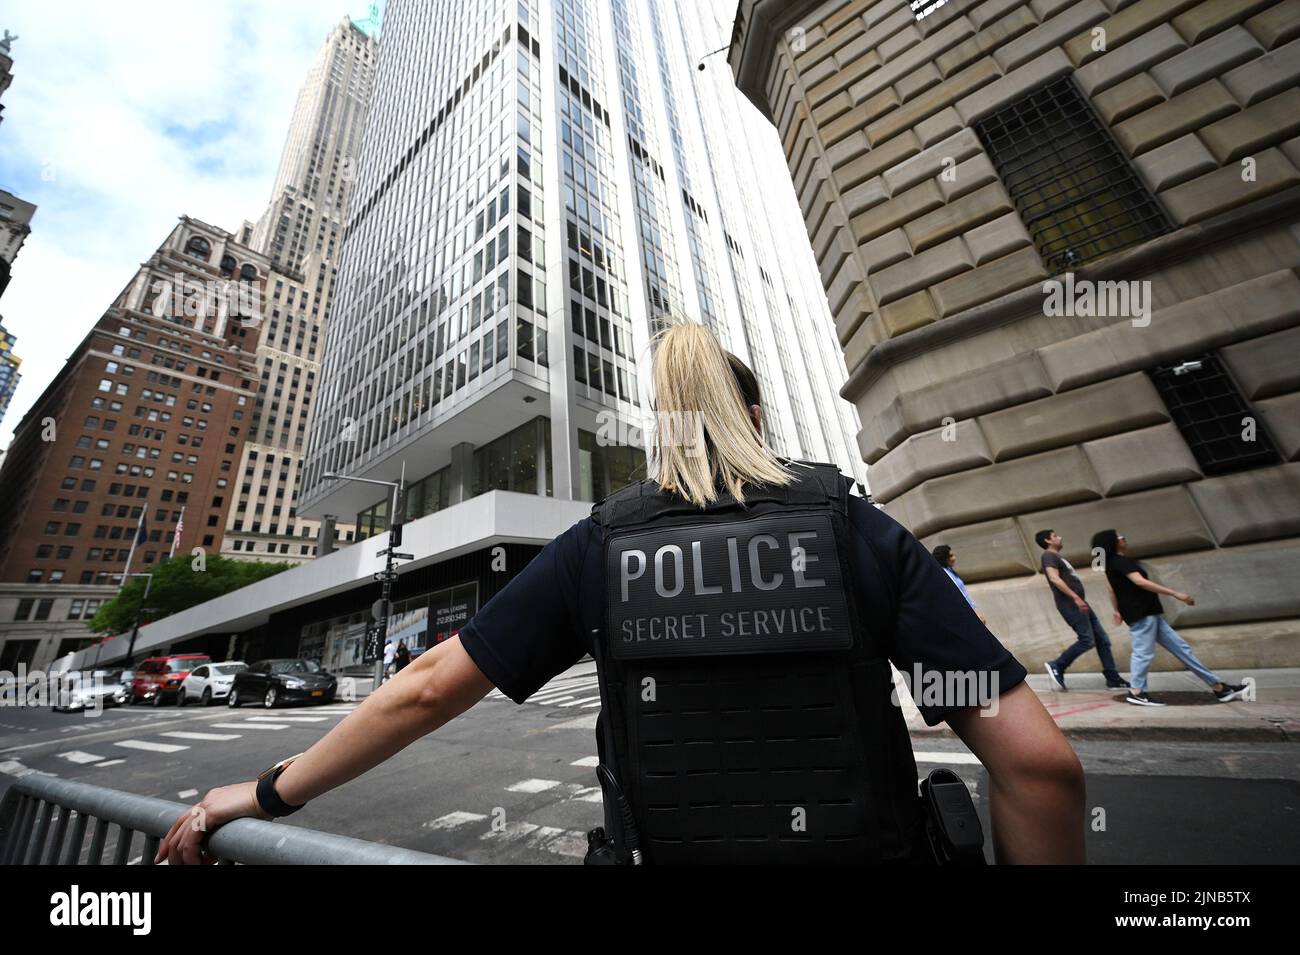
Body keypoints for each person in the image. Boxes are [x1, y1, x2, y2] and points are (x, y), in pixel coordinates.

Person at [156, 322, 1085, 866]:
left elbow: (431, 684)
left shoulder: (601, 547)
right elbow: (1040, 768)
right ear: (753, 418)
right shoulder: (853, 529)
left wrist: (265, 793)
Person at [1090, 529, 1246, 707]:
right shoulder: (1121, 561)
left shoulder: (1111, 563)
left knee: (1181, 648)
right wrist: (1176, 593)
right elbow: (1140, 582)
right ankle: (1136, 692)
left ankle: (1219, 688)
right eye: (1118, 536)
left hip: (1148, 614)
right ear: (1112, 542)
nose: (1123, 537)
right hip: (1142, 614)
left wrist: (1117, 611)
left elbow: (1111, 589)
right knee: (1143, 653)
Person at [1033, 529, 1128, 691]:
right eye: (1055, 535)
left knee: (1102, 640)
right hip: (1071, 604)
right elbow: (1054, 578)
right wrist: (1075, 598)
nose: (1060, 537)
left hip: (1080, 603)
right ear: (1048, 541)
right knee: (1087, 640)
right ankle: (1057, 665)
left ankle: (1112, 678)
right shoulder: (1048, 556)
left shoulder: (1058, 556)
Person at [930, 544, 987, 625]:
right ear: (944, 557)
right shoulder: (945, 574)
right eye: (950, 556)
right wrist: (974, 614)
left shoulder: (950, 571)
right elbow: (959, 595)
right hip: (961, 616)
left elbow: (964, 593)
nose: (954, 558)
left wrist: (975, 610)